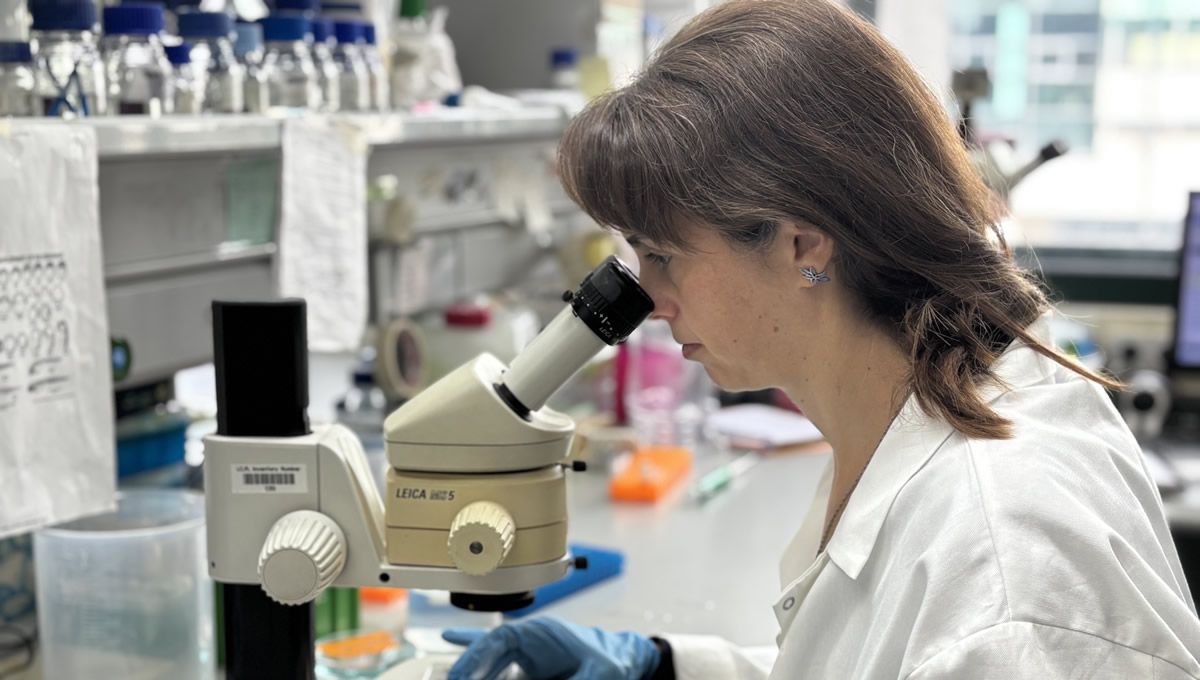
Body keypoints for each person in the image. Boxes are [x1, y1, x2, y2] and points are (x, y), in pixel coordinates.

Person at [444, 0, 1200, 678]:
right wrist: (665, 668)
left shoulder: (1004, 583)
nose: (649, 300)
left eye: (663, 254)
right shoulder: (911, 399)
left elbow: (959, 647)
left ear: (804, 244)